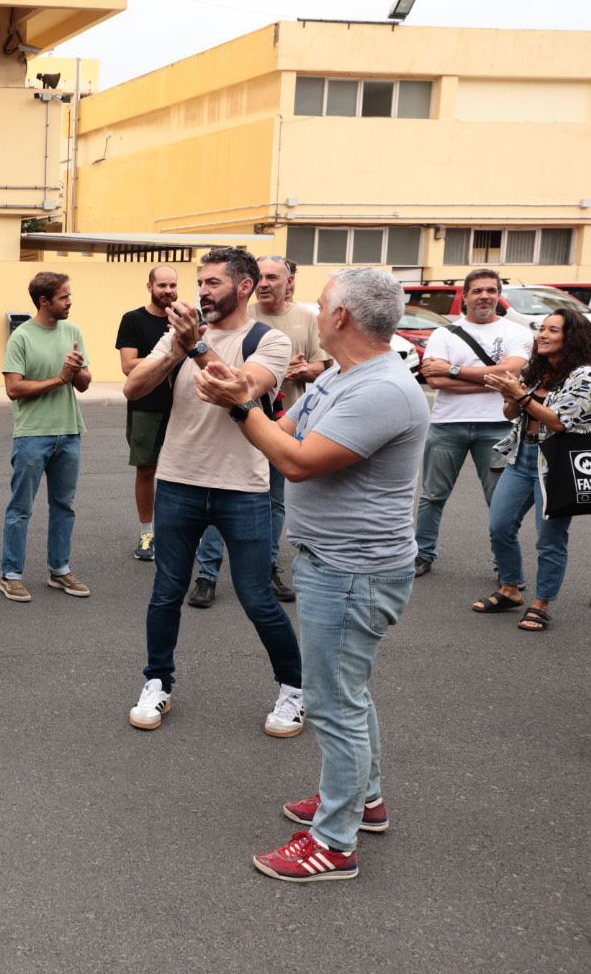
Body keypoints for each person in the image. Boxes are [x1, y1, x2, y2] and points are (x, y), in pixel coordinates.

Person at [195, 267, 428, 882]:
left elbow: (296, 463)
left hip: (355, 572)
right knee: (348, 693)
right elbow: (284, 430)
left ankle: (335, 844)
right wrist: (238, 398)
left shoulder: (381, 390)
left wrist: (240, 406)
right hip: (335, 563)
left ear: (344, 317)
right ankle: (362, 800)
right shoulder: (341, 376)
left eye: (324, 305)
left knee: (332, 704)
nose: (316, 312)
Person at [120, 247, 304, 737]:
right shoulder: (178, 336)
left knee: (257, 597)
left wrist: (194, 348)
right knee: (165, 593)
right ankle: (157, 683)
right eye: (199, 283)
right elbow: (132, 388)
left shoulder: (270, 341)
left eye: (212, 283)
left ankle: (293, 689)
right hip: (179, 480)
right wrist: (178, 349)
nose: (200, 291)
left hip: (241, 487)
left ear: (243, 287)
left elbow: (238, 387)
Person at [191, 256, 329, 605]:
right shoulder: (238, 314)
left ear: (289, 281)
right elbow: (230, 376)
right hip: (236, 424)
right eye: (261, 277)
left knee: (273, 501)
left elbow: (323, 365)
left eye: (273, 277)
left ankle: (267, 567)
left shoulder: (307, 319)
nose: (265, 283)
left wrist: (302, 370)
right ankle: (207, 574)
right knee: (217, 498)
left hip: (285, 423)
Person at [412, 268, 532, 577]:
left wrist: (453, 369)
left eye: (491, 290)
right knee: (432, 496)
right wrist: (495, 381)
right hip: (447, 425)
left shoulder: (517, 332)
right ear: (466, 296)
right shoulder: (444, 334)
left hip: (497, 426)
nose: (485, 296)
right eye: (478, 290)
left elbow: (512, 374)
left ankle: (503, 561)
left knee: (500, 501)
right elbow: (434, 381)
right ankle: (422, 554)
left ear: (498, 295)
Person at [476, 311, 591, 632]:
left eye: (553, 330)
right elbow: (511, 411)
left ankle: (541, 603)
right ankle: (510, 589)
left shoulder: (584, 376)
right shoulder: (537, 371)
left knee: (550, 539)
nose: (542, 334)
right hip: (522, 455)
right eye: (541, 329)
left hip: (554, 463)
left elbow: (557, 421)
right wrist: (509, 394)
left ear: (572, 338)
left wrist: (520, 395)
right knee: (500, 525)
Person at [0, 272, 92, 602]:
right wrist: (60, 377)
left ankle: (60, 570)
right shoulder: (21, 338)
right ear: (44, 301)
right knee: (21, 508)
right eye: (64, 297)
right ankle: (11, 575)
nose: (70, 302)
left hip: (69, 432)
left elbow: (83, 383)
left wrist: (77, 370)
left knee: (63, 506)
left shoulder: (73, 331)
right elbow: (14, 389)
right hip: (32, 436)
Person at [114, 266, 179, 561]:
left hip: (183, 407)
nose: (168, 290)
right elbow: (129, 366)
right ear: (150, 286)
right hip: (145, 406)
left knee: (183, 472)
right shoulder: (133, 319)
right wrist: (171, 354)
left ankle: (180, 532)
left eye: (173, 285)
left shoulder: (185, 319)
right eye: (162, 284)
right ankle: (147, 533)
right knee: (146, 469)